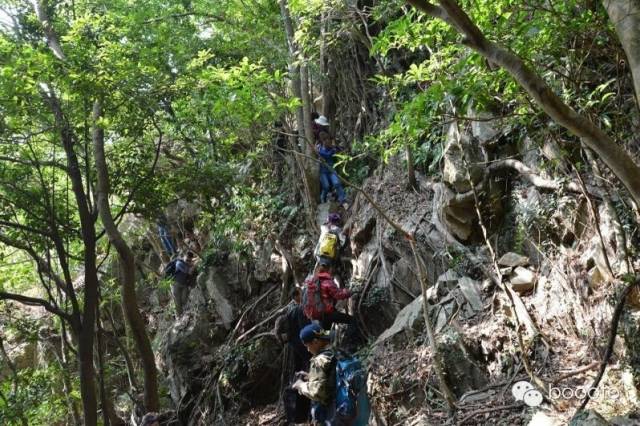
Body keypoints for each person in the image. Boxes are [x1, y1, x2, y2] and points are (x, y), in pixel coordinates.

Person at [274, 287, 312, 424]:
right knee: (306, 365)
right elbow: (305, 329)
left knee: (299, 368)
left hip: (298, 345)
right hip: (302, 347)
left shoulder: (292, 311)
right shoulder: (296, 311)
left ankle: (302, 404)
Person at [292, 323, 337, 425]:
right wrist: (311, 377)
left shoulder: (319, 361)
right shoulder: (334, 350)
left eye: (307, 346)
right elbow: (331, 375)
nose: (308, 350)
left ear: (315, 342)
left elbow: (317, 392)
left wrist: (301, 385)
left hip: (331, 412)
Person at [316, 130, 347, 209]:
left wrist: (319, 152)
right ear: (322, 141)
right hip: (323, 172)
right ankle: (322, 198)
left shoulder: (332, 149)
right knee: (326, 186)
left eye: (328, 139)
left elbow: (328, 154)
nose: (327, 141)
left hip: (331, 170)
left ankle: (342, 199)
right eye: (325, 140)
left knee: (336, 183)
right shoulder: (319, 147)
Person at [168, 252, 194, 316]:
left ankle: (184, 313)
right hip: (175, 284)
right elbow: (189, 272)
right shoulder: (179, 263)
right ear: (184, 256)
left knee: (184, 298)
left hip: (184, 284)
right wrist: (192, 266)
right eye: (187, 260)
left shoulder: (186, 263)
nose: (188, 261)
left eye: (189, 260)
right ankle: (179, 316)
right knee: (177, 301)